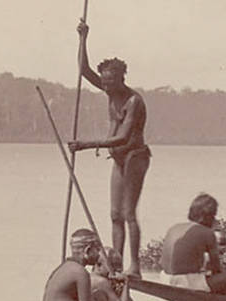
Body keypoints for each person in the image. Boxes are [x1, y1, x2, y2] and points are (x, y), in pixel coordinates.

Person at [68, 20, 151, 279]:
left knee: (128, 213)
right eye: (103, 81)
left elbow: (124, 136)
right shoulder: (109, 91)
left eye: (111, 81)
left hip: (135, 156)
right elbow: (83, 70)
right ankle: (115, 264)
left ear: (121, 78)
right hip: (117, 160)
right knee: (114, 214)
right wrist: (83, 37)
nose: (106, 85)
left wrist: (85, 145)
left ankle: (134, 266)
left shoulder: (133, 101)